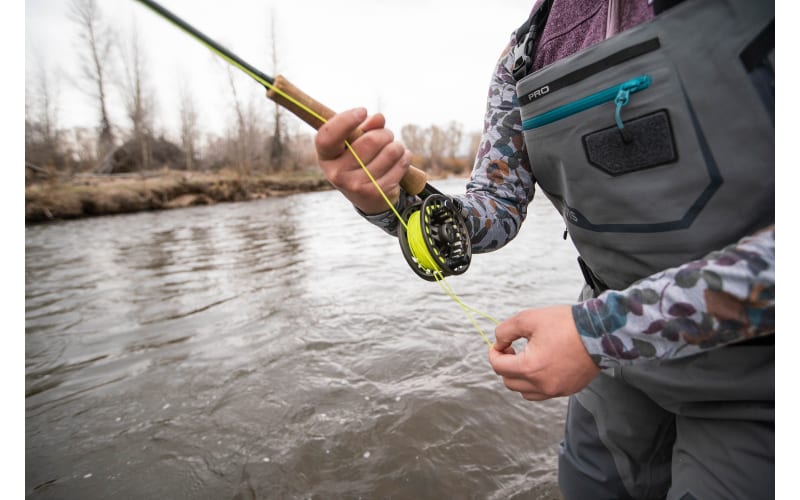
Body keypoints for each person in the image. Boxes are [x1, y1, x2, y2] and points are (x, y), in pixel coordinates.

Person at [314, 0, 774, 498]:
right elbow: (496, 206)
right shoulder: (524, 52)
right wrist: (393, 201)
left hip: (759, 373)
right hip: (613, 366)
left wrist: (607, 332)